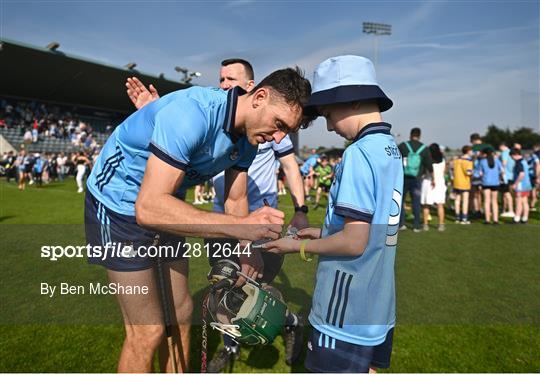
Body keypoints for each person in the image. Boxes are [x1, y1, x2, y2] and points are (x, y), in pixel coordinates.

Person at [86, 67, 314, 372]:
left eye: (288, 131)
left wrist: (246, 247)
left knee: (182, 314)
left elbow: (235, 199)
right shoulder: (192, 114)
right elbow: (148, 209)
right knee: (147, 330)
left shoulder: (250, 138)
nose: (278, 138)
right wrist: (241, 226)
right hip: (119, 206)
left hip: (167, 202)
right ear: (259, 97)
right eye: (279, 124)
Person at [264, 55, 402, 373]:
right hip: (378, 301)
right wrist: (323, 233)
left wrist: (295, 245)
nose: (328, 126)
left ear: (351, 101)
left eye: (328, 114)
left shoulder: (358, 153)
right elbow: (373, 229)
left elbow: (354, 242)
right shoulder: (390, 148)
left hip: (346, 307)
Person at [398, 127, 433, 232]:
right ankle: (416, 225)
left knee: (401, 201)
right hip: (417, 179)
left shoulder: (403, 146)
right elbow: (429, 166)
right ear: (420, 135)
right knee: (416, 202)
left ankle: (401, 224)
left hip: (403, 178)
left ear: (410, 134)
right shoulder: (424, 149)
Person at [420, 143, 446, 231]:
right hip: (440, 182)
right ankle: (441, 224)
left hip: (428, 182)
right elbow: (444, 171)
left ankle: (425, 224)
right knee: (440, 205)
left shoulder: (428, 159)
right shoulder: (443, 159)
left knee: (426, 205)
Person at [477, 147, 503, 224]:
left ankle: (487, 219)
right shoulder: (497, 160)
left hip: (486, 182)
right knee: (494, 201)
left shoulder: (482, 161)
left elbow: (480, 173)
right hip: (495, 183)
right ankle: (495, 219)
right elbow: (502, 171)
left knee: (486, 201)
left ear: (484, 154)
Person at [452, 146, 474, 224]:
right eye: (471, 151)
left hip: (456, 182)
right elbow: (468, 172)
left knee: (457, 200)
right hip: (464, 183)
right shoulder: (468, 161)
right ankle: (464, 218)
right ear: (468, 151)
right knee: (465, 200)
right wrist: (473, 173)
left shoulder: (456, 160)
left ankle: (457, 217)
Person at [510, 148, 532, 224]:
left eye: (511, 156)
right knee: (525, 201)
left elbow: (521, 174)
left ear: (514, 155)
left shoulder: (518, 163)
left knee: (518, 202)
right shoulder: (524, 161)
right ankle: (525, 217)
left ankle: (517, 218)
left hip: (520, 185)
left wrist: (515, 183)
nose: (511, 158)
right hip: (527, 184)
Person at [499, 142, 515, 218]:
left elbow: (504, 163)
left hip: (506, 176)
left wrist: (501, 174)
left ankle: (511, 210)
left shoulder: (504, 153)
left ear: (502, 146)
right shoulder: (511, 152)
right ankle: (504, 210)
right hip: (512, 176)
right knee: (505, 194)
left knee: (506, 193)